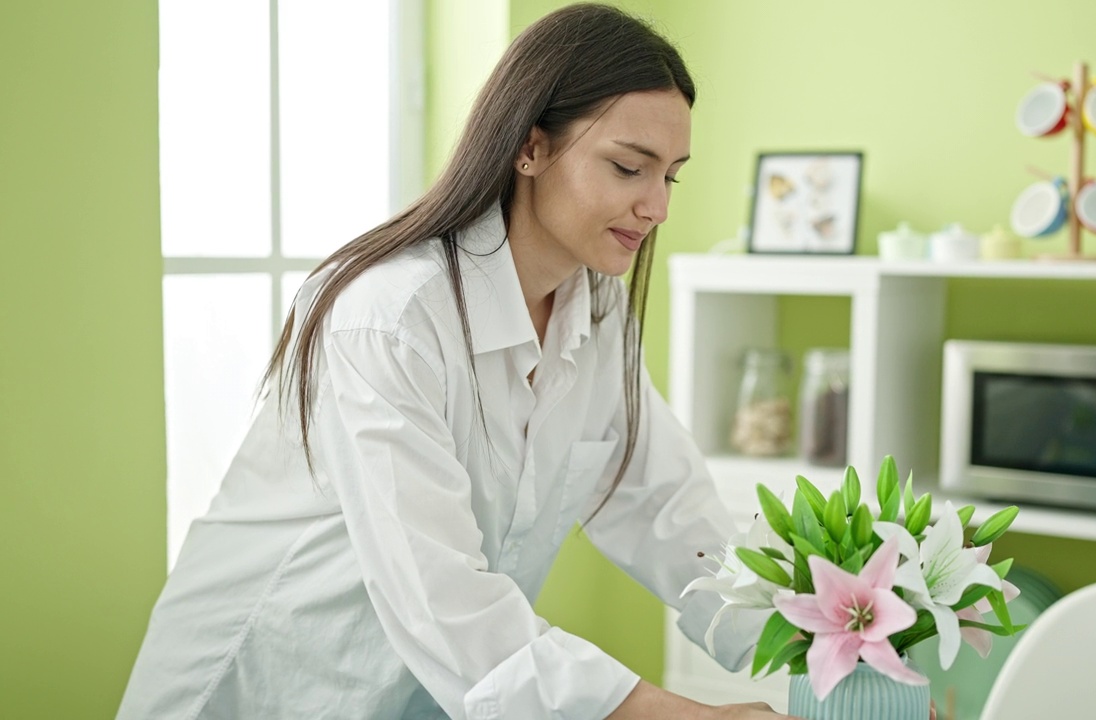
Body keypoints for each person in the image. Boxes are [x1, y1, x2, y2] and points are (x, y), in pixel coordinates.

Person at [118, 4, 796, 719]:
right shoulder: (389, 320)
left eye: (672, 177)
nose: (656, 205)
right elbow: (444, 599)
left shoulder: (595, 310)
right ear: (529, 148)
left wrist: (840, 655)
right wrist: (688, 715)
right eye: (629, 167)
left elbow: (668, 514)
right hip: (266, 690)